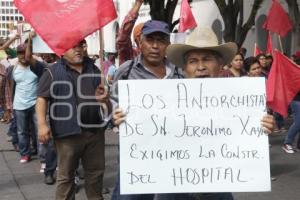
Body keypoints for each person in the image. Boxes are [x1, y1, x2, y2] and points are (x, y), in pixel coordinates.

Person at [113, 26, 275, 200]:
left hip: (217, 188)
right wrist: (125, 120)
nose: (200, 67)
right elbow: (147, 136)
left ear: (220, 65)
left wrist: (263, 126)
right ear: (185, 69)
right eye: (193, 61)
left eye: (207, 59)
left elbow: (247, 141)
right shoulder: (162, 99)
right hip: (174, 189)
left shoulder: (241, 100)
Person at [36, 40, 112, 200]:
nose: (78, 49)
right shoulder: (52, 71)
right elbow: (42, 99)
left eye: (81, 45)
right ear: (63, 50)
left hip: (94, 132)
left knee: (96, 174)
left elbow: (105, 100)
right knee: (66, 177)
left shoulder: (95, 70)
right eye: (73, 46)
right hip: (66, 135)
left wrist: (104, 99)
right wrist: (42, 125)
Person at [7, 34, 45, 163]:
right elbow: (12, 87)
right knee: (22, 131)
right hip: (19, 104)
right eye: (20, 53)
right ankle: (25, 153)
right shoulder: (13, 68)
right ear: (17, 54)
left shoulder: (35, 67)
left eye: (24, 52)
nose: (22, 55)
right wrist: (10, 105)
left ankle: (42, 155)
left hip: (35, 104)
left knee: (37, 130)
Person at [117, 0, 144, 65]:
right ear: (138, 38)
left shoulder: (158, 57)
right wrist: (138, 4)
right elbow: (123, 37)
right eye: (149, 37)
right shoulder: (130, 55)